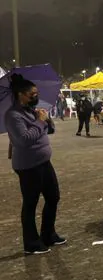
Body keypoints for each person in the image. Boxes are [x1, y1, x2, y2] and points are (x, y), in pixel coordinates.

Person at [5, 74, 66, 254]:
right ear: (20, 94)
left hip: (44, 162)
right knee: (31, 203)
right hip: (28, 166)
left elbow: (49, 130)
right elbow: (24, 140)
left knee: (53, 197)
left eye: (37, 93)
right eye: (32, 94)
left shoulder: (31, 111)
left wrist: (47, 120)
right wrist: (39, 122)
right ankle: (31, 244)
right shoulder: (13, 115)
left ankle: (48, 234)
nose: (35, 97)